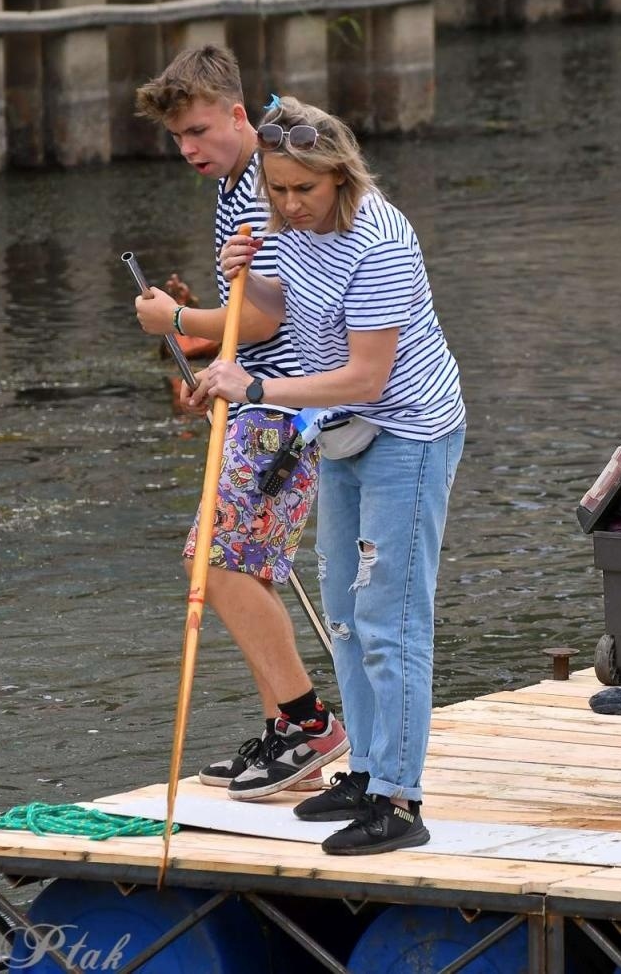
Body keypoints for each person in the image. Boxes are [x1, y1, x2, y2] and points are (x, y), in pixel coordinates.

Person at [190, 96, 465, 857]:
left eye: (303, 189)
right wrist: (244, 279)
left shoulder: (380, 242)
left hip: (408, 432)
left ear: (340, 175)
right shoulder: (288, 226)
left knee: (389, 620)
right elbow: (284, 307)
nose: (288, 204)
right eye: (276, 189)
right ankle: (366, 772)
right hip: (340, 433)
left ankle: (400, 801)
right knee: (343, 614)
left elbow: (366, 376)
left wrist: (255, 387)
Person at [133, 47, 346, 801]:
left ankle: (311, 725)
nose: (188, 149)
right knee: (244, 566)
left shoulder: (263, 185)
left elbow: (265, 316)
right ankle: (284, 732)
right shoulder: (234, 184)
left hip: (286, 408)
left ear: (235, 114)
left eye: (198, 131)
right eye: (177, 139)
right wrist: (211, 367)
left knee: (217, 562)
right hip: (256, 399)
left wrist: (176, 318)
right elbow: (245, 318)